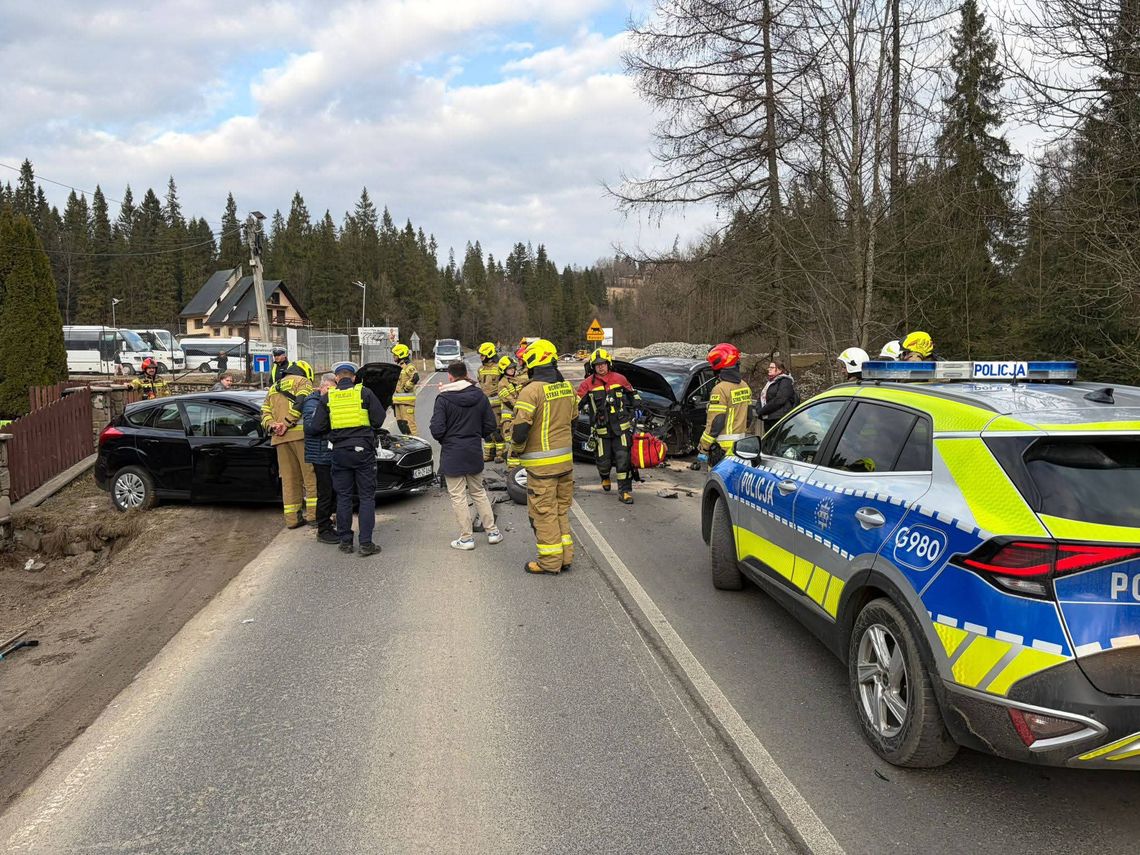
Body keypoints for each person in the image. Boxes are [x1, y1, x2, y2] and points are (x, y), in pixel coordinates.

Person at [511, 338, 576, 575]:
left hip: (542, 469)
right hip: (565, 464)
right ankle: (565, 557)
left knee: (544, 513)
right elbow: (573, 418)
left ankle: (550, 562)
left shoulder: (531, 390)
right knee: (560, 510)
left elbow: (519, 430)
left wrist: (516, 449)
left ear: (533, 362)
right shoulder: (567, 387)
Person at [309, 361, 386, 556]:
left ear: (336, 378)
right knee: (366, 497)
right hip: (363, 452)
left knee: (344, 497)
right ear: (353, 378)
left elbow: (316, 427)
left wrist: (333, 433)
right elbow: (378, 420)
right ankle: (366, 543)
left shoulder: (328, 398)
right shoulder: (365, 393)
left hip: (339, 452)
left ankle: (345, 542)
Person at [430, 361, 504, 551]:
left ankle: (466, 538)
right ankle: (493, 532)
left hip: (452, 452)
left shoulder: (443, 399)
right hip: (473, 450)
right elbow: (490, 425)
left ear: (450, 376)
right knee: (478, 492)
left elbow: (437, 429)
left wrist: (448, 439)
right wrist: (474, 435)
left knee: (458, 496)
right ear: (465, 374)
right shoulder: (479, 395)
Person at [576, 348, 640, 504]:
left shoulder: (620, 378)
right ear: (593, 367)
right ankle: (604, 477)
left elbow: (633, 394)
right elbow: (575, 403)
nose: (600, 367)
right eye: (597, 365)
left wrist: (637, 407)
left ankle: (624, 491)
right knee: (603, 461)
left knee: (623, 459)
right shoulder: (587, 384)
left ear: (608, 364)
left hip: (621, 428)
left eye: (603, 364)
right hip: (601, 431)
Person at [259, 359, 317, 530]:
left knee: (289, 480)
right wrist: (287, 422)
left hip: (280, 439)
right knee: (310, 476)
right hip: (300, 436)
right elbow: (301, 402)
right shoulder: (303, 382)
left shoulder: (273, 387)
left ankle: (292, 519)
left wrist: (273, 425)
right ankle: (314, 516)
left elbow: (264, 412)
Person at [692, 343, 752, 471]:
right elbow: (749, 417)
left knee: (716, 486)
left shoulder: (720, 389)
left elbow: (716, 422)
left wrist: (704, 447)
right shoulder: (744, 386)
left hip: (721, 450)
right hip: (740, 447)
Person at [303, 372, 339, 545]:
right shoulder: (312, 403)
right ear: (323, 387)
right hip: (320, 455)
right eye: (332, 389)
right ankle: (323, 529)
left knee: (333, 491)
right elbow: (311, 428)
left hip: (330, 454)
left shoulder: (325, 401)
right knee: (325, 493)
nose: (334, 392)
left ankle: (330, 523)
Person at [476, 342, 503, 462]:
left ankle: (500, 454)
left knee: (497, 430)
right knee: (486, 431)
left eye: (482, 355)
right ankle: (488, 454)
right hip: (484, 405)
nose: (481, 357)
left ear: (489, 354)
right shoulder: (480, 369)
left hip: (496, 405)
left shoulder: (499, 368)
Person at [754, 359, 797, 435]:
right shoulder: (770, 382)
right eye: (769, 367)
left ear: (780, 370)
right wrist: (758, 409)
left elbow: (780, 400)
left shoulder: (785, 381)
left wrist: (763, 410)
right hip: (768, 418)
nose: (769, 369)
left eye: (772, 367)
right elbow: (761, 397)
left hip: (778, 419)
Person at [391, 343, 419, 435]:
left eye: (395, 354)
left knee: (410, 426)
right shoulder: (399, 367)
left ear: (400, 354)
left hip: (406, 403)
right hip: (398, 402)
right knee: (402, 426)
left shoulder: (408, 366)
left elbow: (415, 377)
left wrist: (407, 387)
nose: (393, 356)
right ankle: (408, 445)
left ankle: (417, 446)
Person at [496, 354, 524, 448]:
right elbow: (508, 400)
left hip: (518, 412)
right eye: (509, 368)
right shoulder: (502, 383)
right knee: (509, 437)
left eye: (513, 368)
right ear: (503, 370)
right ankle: (510, 455)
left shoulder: (516, 380)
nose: (512, 370)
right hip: (509, 415)